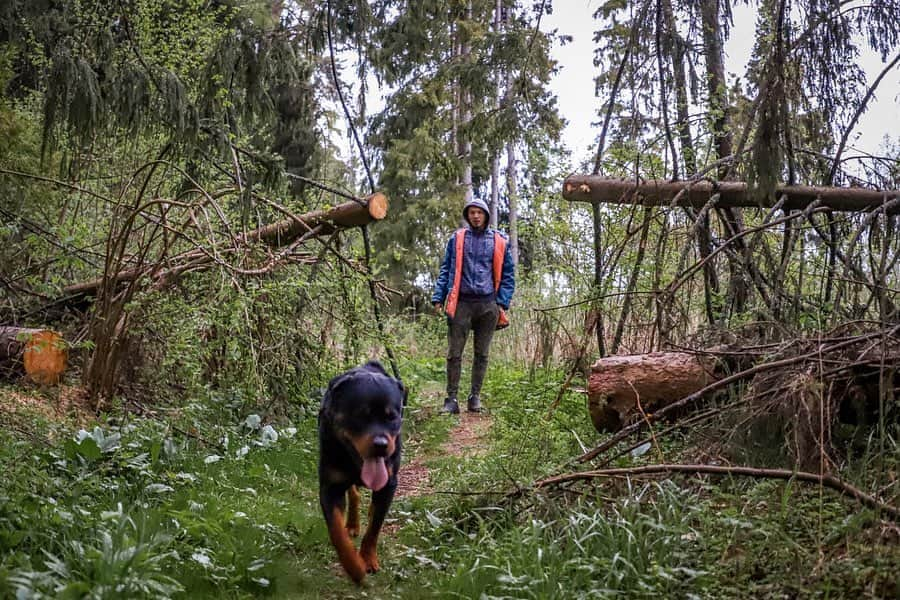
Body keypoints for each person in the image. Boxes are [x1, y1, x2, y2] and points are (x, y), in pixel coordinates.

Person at [431, 197, 515, 414]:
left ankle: (474, 397)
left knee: (482, 354)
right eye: (472, 212)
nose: (476, 216)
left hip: (488, 306)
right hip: (461, 304)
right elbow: (446, 270)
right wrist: (438, 297)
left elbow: (508, 275)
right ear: (467, 216)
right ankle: (451, 399)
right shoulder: (457, 239)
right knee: (454, 353)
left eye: (479, 212)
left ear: (486, 215)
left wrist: (502, 303)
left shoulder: (499, 241)